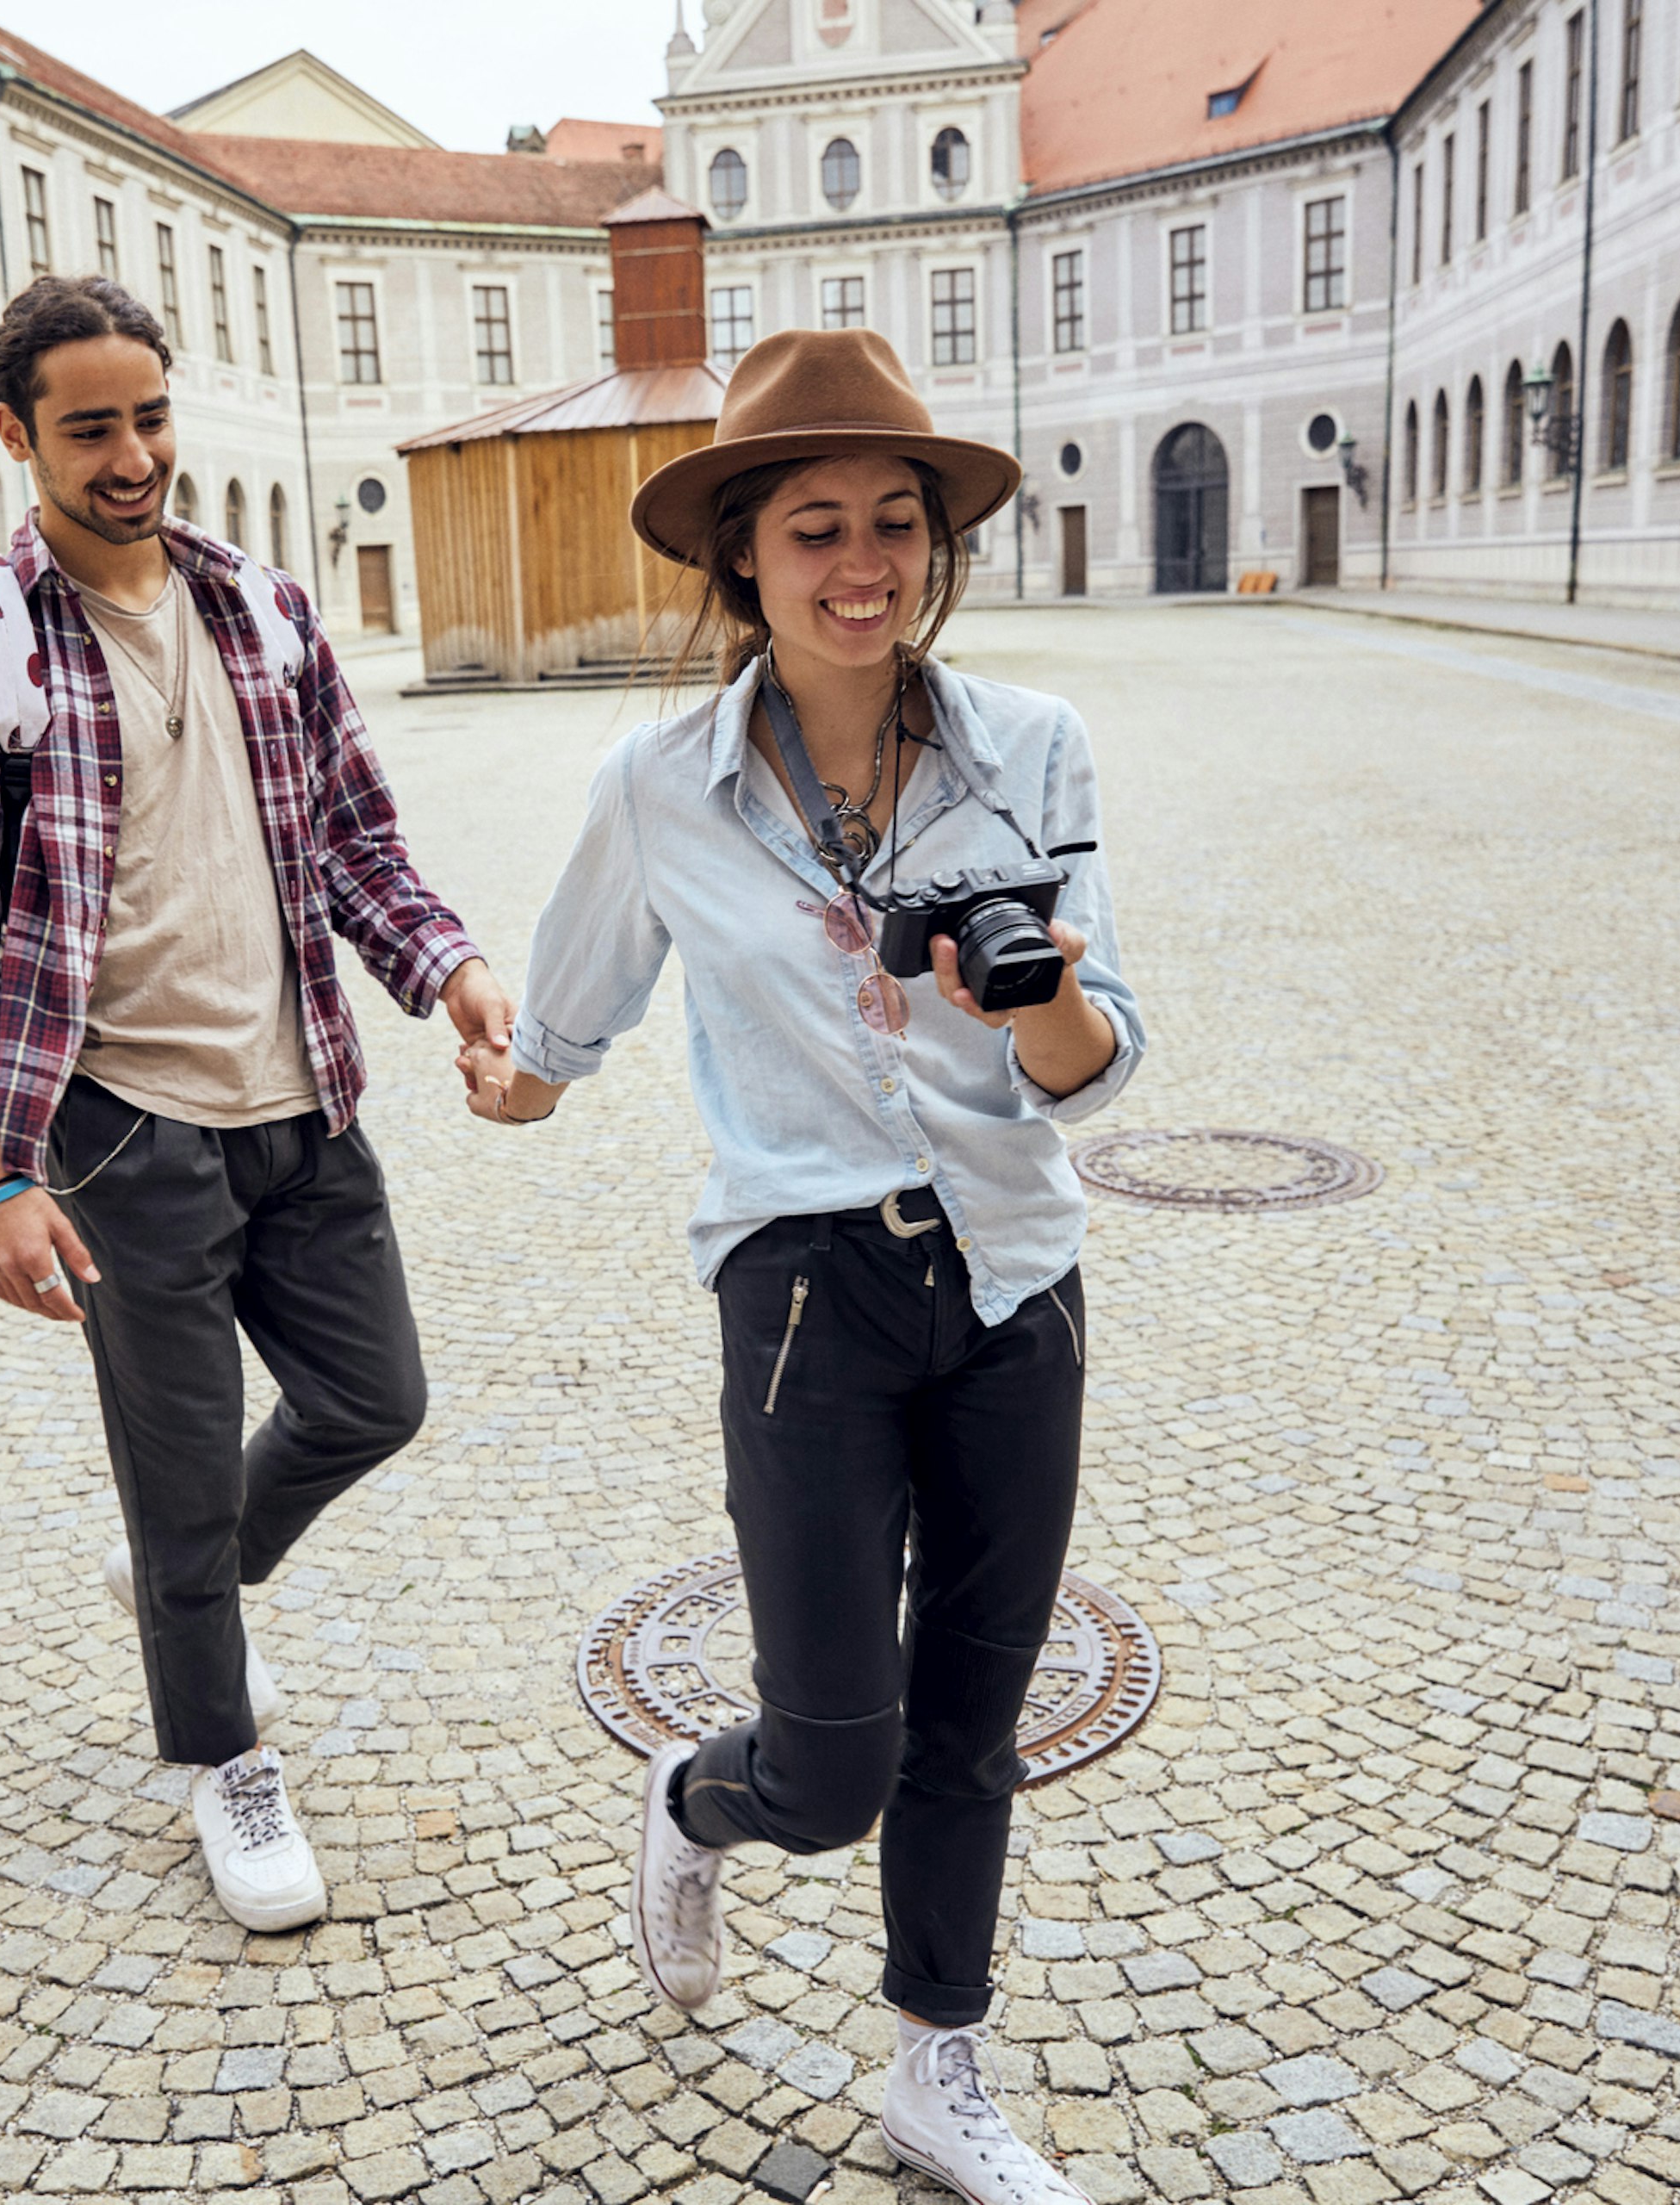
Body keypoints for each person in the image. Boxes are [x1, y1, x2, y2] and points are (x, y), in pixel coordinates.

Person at [457, 327, 1141, 2205]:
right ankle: (693, 1799)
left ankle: (940, 2069)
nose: (865, 567)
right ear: (740, 558)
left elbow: (1101, 1057)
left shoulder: (1035, 750)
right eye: (818, 526)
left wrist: (1050, 1002)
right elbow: (564, 1027)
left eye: (898, 524)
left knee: (972, 1717)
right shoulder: (659, 785)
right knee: (832, 1761)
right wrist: (505, 1078)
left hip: (1016, 1273)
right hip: (804, 1297)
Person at [0, 273, 513, 1932]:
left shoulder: (268, 613)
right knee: (169, 1488)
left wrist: (453, 976)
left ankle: (196, 1577)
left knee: (377, 1401)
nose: (131, 456)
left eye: (149, 419)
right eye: (89, 429)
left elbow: (361, 846)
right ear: (14, 435)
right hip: (115, 1127)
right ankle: (224, 1757)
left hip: (303, 1096)